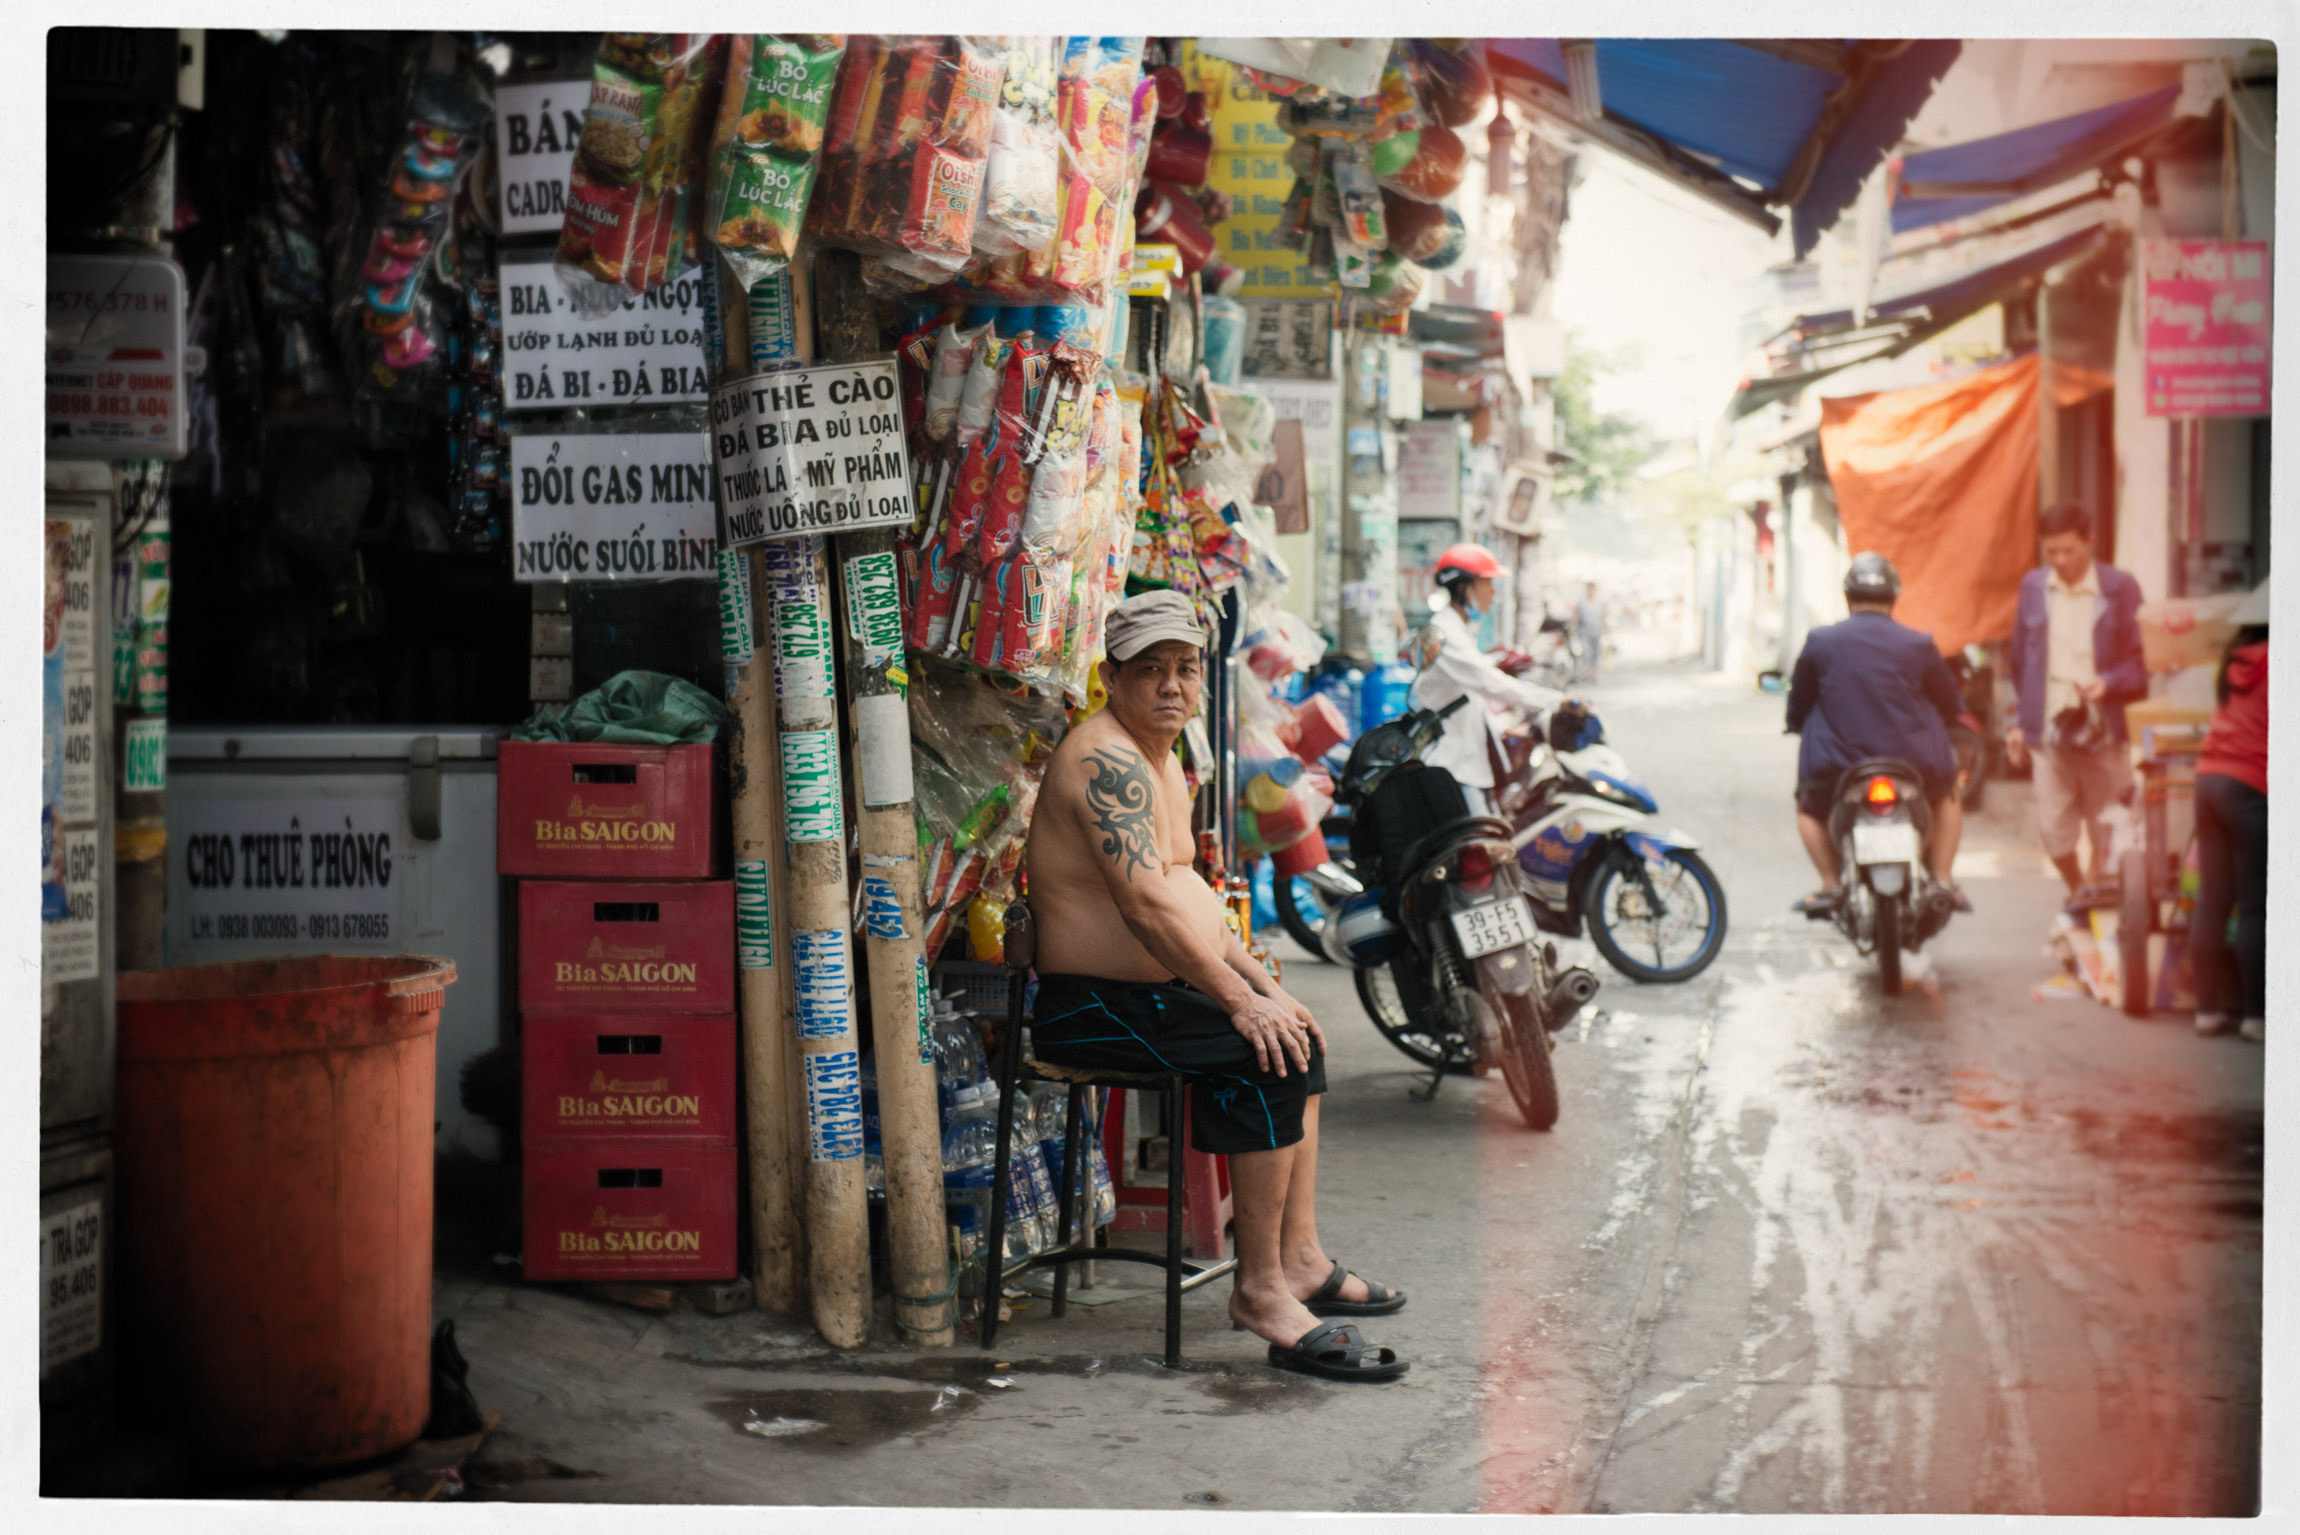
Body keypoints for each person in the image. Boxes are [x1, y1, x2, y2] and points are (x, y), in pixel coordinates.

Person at [1024, 590, 1409, 1383]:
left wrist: (1263, 985)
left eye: (1185, 668)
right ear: (1111, 677)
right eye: (1151, 670)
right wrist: (1239, 1003)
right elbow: (1144, 904)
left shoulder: (1165, 758)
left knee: (1296, 1036)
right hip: (1090, 1006)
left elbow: (1189, 895)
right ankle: (1260, 1290)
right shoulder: (1104, 759)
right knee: (1260, 1052)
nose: (1172, 685)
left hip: (1151, 994)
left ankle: (1299, 1259)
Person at [1784, 552, 1969, 914]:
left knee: (1808, 807)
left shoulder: (1821, 641)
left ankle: (1830, 884)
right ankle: (1944, 880)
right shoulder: (1918, 644)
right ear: (1894, 597)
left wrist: (1795, 723)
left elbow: (1799, 701)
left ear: (1848, 596)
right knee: (1948, 795)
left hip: (1836, 766)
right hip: (1915, 766)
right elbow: (1949, 702)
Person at [2005, 504, 2149, 895]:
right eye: (2051, 551)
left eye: (2069, 550)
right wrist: (2019, 723)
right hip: (2049, 732)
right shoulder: (2034, 587)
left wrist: (2109, 682)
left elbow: (2142, 661)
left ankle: (2096, 904)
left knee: (2109, 832)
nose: (2060, 560)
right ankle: (2078, 892)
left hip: (2104, 734)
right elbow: (2020, 662)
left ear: (2090, 541)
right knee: (2053, 832)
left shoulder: (2120, 588)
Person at [1411, 544, 1563, 809]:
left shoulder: (1458, 629)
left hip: (1465, 759)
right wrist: (1557, 700)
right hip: (1452, 764)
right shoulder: (1444, 633)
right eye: (1487, 584)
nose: (1493, 592)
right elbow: (1487, 681)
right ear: (1464, 588)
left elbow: (1470, 693)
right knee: (1479, 832)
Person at [2190, 581, 2268, 1042]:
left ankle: (2206, 1012)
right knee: (2256, 904)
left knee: (2213, 899)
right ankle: (2256, 1017)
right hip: (2249, 784)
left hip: (2208, 779)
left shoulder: (2234, 659)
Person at [1572, 580, 1606, 682]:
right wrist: (1572, 623)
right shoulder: (1581, 603)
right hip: (1584, 631)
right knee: (1586, 651)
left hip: (1596, 630)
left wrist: (1606, 627)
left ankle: (1593, 673)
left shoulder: (1600, 603)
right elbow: (1576, 615)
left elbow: (1604, 615)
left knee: (1595, 653)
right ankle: (1586, 672)